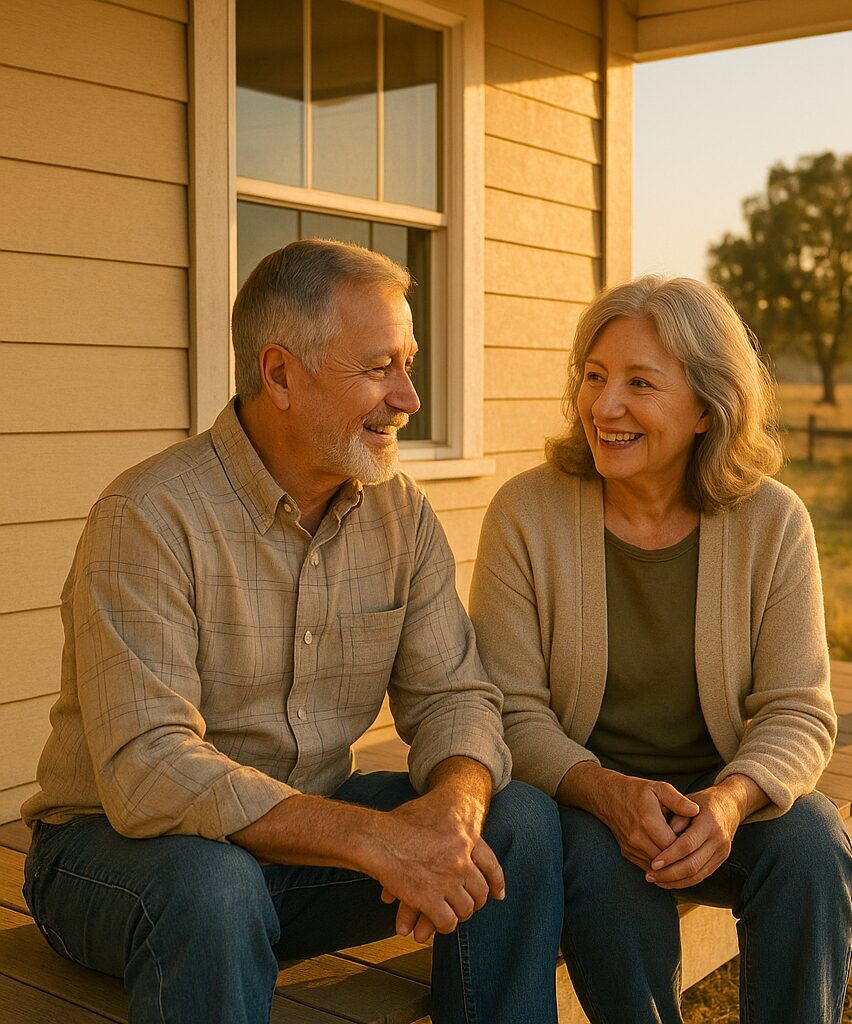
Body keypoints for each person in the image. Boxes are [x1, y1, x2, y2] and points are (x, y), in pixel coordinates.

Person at [21, 239, 563, 1024]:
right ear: (279, 373)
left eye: (408, 363)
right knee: (214, 886)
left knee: (517, 821)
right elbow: (149, 770)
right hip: (121, 861)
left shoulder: (399, 513)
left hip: (301, 850)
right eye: (379, 368)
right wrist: (374, 841)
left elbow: (457, 695)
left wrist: (453, 808)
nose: (409, 398)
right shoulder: (148, 518)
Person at [470, 275, 852, 1024]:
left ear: (708, 410)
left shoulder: (774, 523)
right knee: (596, 857)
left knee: (813, 841)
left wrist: (731, 798)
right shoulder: (526, 513)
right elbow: (507, 709)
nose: (604, 406)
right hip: (584, 796)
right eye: (594, 376)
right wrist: (605, 791)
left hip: (722, 798)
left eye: (639, 384)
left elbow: (799, 711)